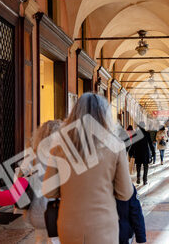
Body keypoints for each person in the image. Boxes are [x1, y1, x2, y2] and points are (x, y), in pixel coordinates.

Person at [43, 93, 133, 244]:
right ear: (105, 116)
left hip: (69, 225)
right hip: (103, 226)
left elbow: (49, 190)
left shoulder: (59, 147)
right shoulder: (115, 146)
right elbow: (125, 193)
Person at [28, 120, 62, 244]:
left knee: (40, 239)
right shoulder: (61, 155)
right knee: (55, 240)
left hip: (36, 209)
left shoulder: (32, 156)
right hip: (55, 208)